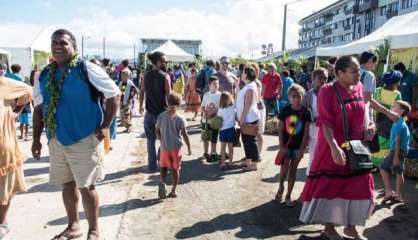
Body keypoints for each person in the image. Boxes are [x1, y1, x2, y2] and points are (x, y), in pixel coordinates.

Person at [32, 29, 120, 240]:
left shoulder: (85, 68)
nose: (57, 46)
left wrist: (106, 126)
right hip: (56, 139)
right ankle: (74, 226)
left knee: (87, 186)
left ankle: (94, 230)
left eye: (63, 42)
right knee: (67, 185)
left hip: (84, 138)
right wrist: (36, 139)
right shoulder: (44, 74)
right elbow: (38, 108)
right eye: (54, 42)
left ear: (73, 47)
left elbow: (114, 94)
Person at [299, 56, 375, 240]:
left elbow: (364, 111)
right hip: (332, 147)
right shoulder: (327, 91)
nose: (359, 74)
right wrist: (334, 147)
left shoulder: (359, 87)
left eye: (359, 70)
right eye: (354, 71)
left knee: (361, 187)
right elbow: (325, 122)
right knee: (331, 188)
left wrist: (370, 126)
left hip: (356, 149)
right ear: (340, 73)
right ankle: (329, 227)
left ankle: (351, 227)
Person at [0, 76, 32, 239]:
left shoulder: (3, 84)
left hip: (3, 145)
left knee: (4, 186)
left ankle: (2, 223)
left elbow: (27, 90)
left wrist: (15, 113)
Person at [275, 84, 311, 207]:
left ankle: (288, 195)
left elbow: (306, 133)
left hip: (297, 148)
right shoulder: (285, 110)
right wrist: (281, 146)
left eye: (299, 96)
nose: (296, 99)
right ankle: (281, 187)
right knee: (284, 169)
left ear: (302, 97)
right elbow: (280, 129)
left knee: (293, 170)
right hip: (286, 146)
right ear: (289, 97)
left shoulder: (306, 112)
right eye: (293, 96)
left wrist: (302, 150)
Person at [139, 51, 171, 171]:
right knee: (164, 140)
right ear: (158, 62)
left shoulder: (146, 75)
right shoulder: (165, 76)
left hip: (149, 113)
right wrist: (172, 110)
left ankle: (151, 165)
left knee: (150, 140)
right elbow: (169, 95)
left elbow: (142, 91)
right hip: (161, 113)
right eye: (164, 61)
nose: (166, 63)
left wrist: (140, 106)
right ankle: (161, 161)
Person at [156, 93, 191, 199]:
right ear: (179, 104)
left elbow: (156, 130)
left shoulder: (161, 116)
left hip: (164, 148)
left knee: (163, 168)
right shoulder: (180, 119)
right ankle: (174, 190)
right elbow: (185, 134)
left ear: (167, 102)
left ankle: (162, 182)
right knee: (175, 170)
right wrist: (189, 147)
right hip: (176, 148)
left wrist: (161, 140)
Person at [380, 100, 411, 204]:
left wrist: (395, 156)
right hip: (401, 150)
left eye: (395, 106)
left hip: (397, 151)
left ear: (401, 111)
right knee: (398, 172)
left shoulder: (398, 123)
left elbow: (398, 140)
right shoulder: (401, 122)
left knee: (383, 167)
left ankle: (389, 191)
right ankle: (398, 195)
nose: (392, 107)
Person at [371, 71, 403, 166]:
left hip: (376, 120)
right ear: (394, 83)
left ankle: (373, 163)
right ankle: (383, 165)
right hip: (390, 123)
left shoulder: (377, 91)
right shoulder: (397, 94)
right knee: (387, 143)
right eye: (398, 82)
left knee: (376, 142)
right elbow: (399, 109)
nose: (399, 84)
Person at [360, 51, 399, 123]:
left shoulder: (348, 72)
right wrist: (388, 112)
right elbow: (368, 100)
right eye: (375, 64)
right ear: (370, 60)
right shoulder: (368, 75)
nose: (374, 67)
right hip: (361, 116)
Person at [303, 68, 328, 175]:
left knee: (325, 155)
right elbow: (303, 114)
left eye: (325, 78)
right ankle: (311, 176)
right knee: (313, 154)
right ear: (313, 79)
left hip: (327, 130)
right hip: (313, 130)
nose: (323, 81)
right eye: (320, 78)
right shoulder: (308, 95)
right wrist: (313, 119)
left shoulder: (330, 94)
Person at [236, 66, 260, 171]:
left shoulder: (250, 87)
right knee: (246, 141)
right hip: (247, 117)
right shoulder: (249, 85)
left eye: (243, 73)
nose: (241, 74)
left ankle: (254, 164)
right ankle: (248, 161)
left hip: (249, 118)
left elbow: (248, 104)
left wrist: (242, 117)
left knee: (250, 141)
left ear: (246, 74)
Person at [201, 76, 221, 162]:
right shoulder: (206, 95)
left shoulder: (220, 95)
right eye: (214, 84)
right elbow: (202, 106)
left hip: (215, 121)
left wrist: (213, 113)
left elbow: (220, 108)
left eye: (217, 83)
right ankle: (205, 153)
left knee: (214, 137)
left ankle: (213, 152)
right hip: (205, 120)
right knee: (205, 137)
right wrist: (205, 113)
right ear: (209, 85)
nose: (216, 85)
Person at [217, 92, 236, 169]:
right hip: (231, 129)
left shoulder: (220, 109)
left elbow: (218, 119)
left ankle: (223, 163)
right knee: (230, 147)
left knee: (223, 147)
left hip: (223, 130)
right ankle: (230, 162)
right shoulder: (233, 107)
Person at [119, 68, 138, 133]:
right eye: (122, 75)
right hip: (122, 101)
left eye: (124, 75)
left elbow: (135, 91)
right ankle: (127, 127)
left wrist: (130, 98)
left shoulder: (130, 83)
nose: (122, 76)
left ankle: (129, 127)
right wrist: (121, 101)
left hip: (128, 102)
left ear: (127, 76)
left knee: (127, 114)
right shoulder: (121, 83)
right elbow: (122, 93)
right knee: (123, 115)